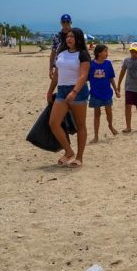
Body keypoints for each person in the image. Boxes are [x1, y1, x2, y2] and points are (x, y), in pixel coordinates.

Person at [47, 27, 90, 167]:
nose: (69, 39)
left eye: (72, 36)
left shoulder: (83, 54)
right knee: (53, 123)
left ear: (78, 39)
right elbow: (57, 75)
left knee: (80, 125)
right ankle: (68, 151)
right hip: (61, 90)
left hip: (78, 91)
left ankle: (79, 157)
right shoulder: (61, 53)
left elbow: (83, 75)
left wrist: (74, 92)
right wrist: (49, 91)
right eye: (68, 36)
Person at [88, 44, 118, 142]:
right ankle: (96, 136)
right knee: (97, 114)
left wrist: (116, 90)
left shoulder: (108, 64)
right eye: (105, 51)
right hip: (95, 94)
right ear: (99, 53)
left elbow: (111, 78)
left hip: (107, 93)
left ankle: (110, 126)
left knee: (109, 112)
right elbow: (85, 78)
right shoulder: (91, 64)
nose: (107, 53)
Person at [48, 14, 74, 78]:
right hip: (60, 65)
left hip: (73, 65)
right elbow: (53, 53)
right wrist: (51, 69)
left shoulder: (76, 35)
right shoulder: (57, 37)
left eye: (67, 21)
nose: (65, 23)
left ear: (70, 22)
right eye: (63, 21)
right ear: (61, 23)